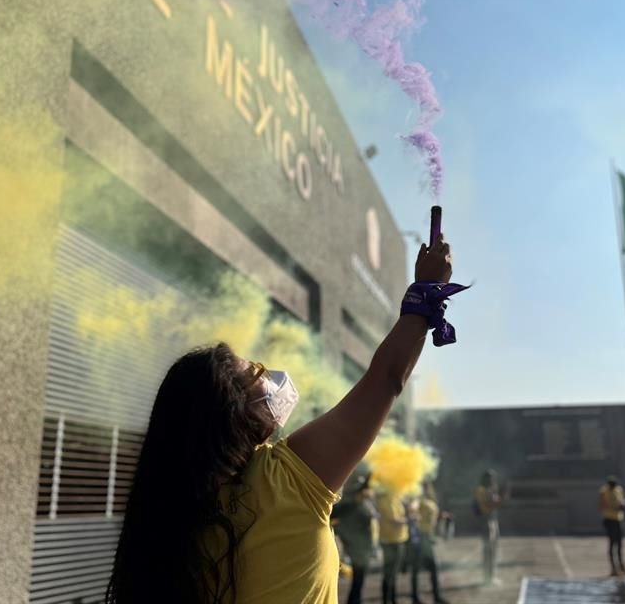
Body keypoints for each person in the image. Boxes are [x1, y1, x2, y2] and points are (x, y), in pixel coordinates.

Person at [105, 236, 456, 604]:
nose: (268, 374)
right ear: (236, 415)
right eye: (254, 372)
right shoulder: (286, 481)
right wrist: (427, 290)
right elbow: (387, 378)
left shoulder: (166, 524)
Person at [332, 476, 379, 604]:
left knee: (359, 580)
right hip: (356, 548)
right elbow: (335, 519)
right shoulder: (350, 505)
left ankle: (355, 600)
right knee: (358, 579)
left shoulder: (363, 504)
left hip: (363, 546)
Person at [411, 482, 449, 604]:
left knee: (426, 568)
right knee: (422, 567)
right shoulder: (418, 500)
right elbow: (413, 511)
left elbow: (430, 516)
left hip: (427, 536)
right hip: (421, 537)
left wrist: (441, 516)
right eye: (423, 486)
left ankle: (428, 596)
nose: (426, 488)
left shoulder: (428, 499)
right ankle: (422, 597)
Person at [376, 490, 409, 604]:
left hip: (398, 539)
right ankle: (387, 599)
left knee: (394, 573)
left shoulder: (395, 499)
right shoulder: (385, 500)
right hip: (390, 540)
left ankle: (392, 599)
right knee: (389, 573)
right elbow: (395, 520)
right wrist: (409, 520)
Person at [599, 476, 625, 577]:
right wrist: (614, 506)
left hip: (618, 519)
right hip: (609, 519)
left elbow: (622, 501)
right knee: (612, 544)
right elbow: (601, 505)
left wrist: (623, 505)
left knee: (620, 544)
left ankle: (621, 567)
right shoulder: (604, 491)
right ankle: (613, 569)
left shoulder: (619, 489)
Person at [474, 470, 503, 585]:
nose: (493, 481)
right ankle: (487, 577)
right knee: (488, 550)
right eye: (491, 479)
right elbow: (492, 503)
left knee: (494, 548)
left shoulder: (489, 490)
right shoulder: (481, 490)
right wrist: (496, 495)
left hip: (492, 519)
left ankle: (491, 576)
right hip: (486, 520)